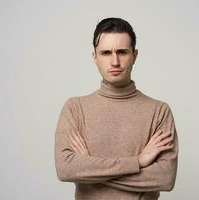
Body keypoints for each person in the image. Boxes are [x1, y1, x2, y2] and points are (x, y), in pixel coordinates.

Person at [54, 17, 178, 200]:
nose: (115, 61)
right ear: (94, 57)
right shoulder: (75, 108)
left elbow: (165, 179)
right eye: (105, 53)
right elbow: (65, 169)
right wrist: (138, 162)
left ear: (134, 55)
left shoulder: (159, 111)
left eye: (122, 52)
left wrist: (90, 168)